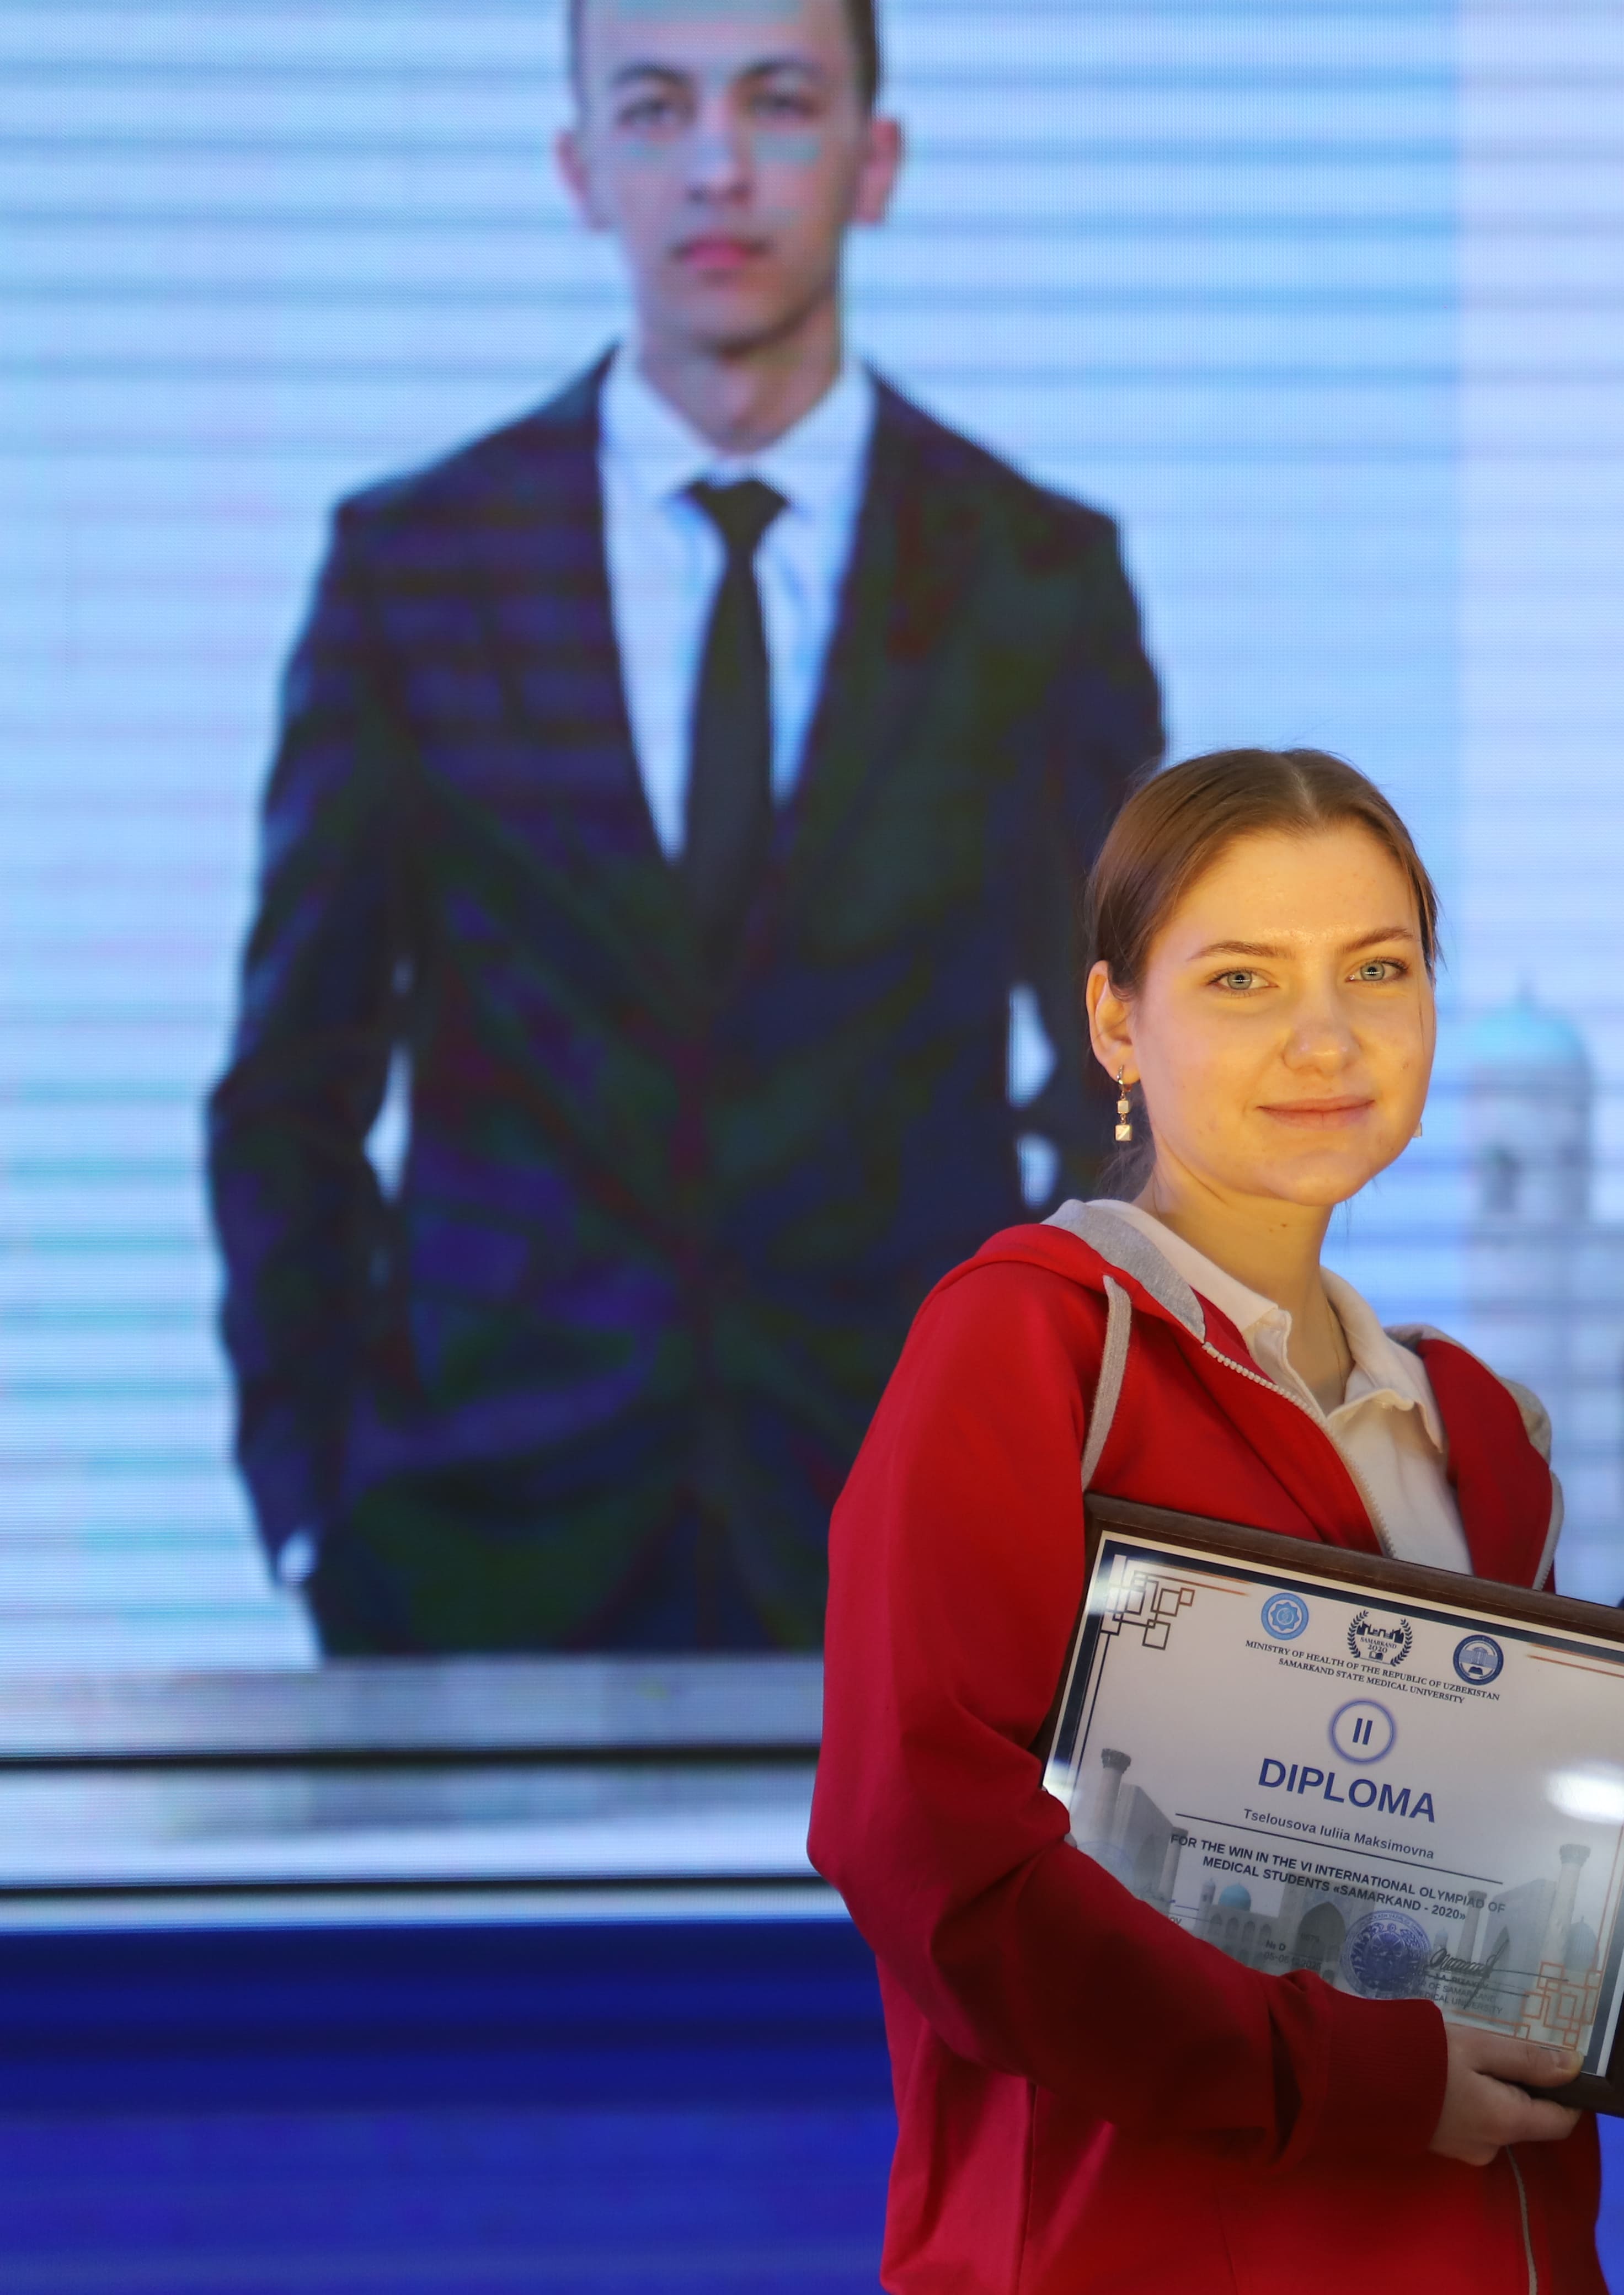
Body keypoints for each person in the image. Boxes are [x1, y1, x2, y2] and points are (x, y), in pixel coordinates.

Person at [205, 0, 1161, 1650]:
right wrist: (312, 1508)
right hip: (472, 1530)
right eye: (654, 110)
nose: (718, 167)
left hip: (913, 1519)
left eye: (778, 103)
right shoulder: (414, 568)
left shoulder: (1035, 576)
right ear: (579, 166)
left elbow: (1127, 1074)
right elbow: (296, 1079)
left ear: (875, 159)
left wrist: (1059, 1460)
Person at [814, 749, 1624, 2292]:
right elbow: (924, 1846)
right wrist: (1349, 2078)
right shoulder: (1031, 1345)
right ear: (1117, 1020)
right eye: (1243, 978)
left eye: (1379, 969)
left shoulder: (1482, 1428)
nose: (1328, 1036)